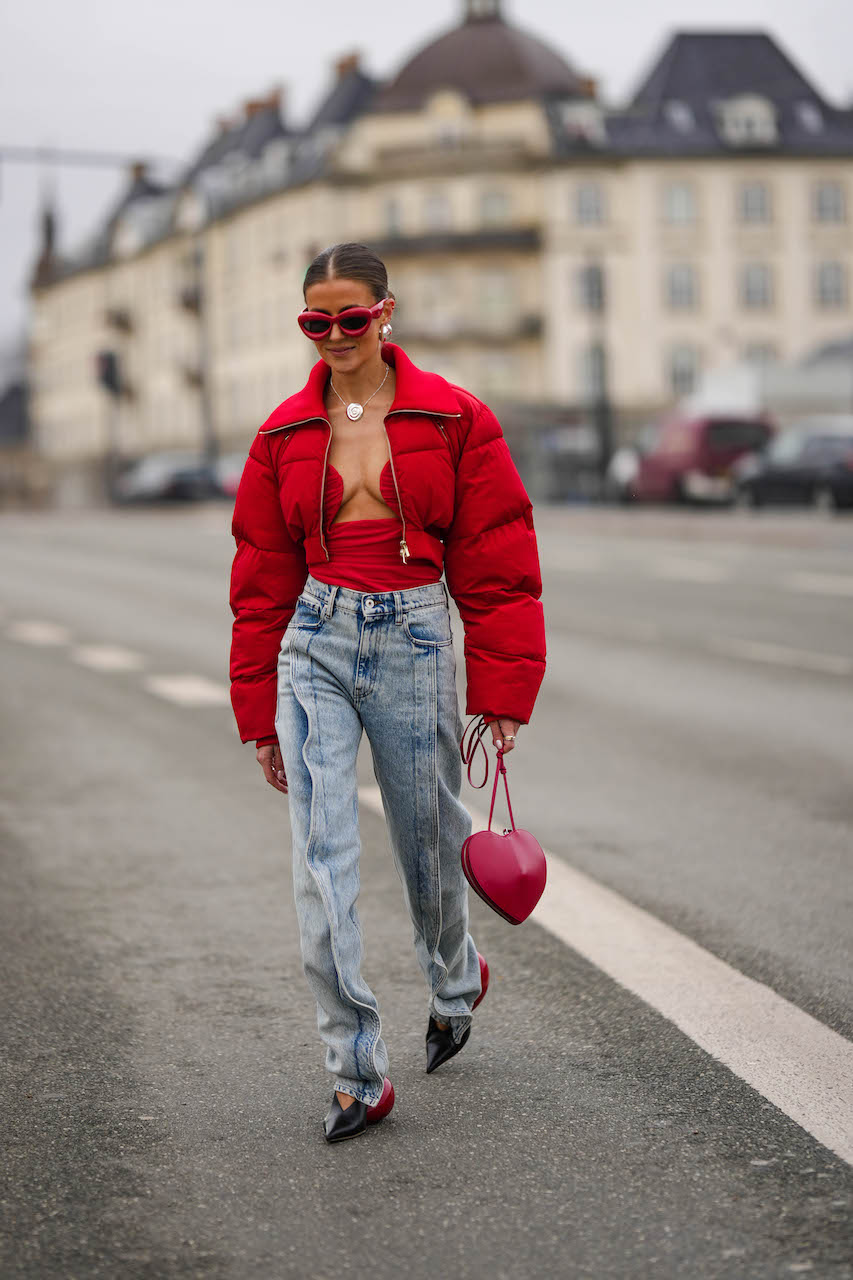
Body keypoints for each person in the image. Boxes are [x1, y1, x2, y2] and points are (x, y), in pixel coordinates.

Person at [228, 242, 546, 1143]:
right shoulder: (284, 433)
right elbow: (260, 582)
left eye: (349, 318)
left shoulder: (453, 416)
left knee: (428, 842)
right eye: (314, 321)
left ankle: (454, 976)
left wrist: (503, 693)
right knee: (319, 863)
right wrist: (259, 715)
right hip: (313, 643)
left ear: (384, 312)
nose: (333, 335)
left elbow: (496, 556)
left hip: (413, 634)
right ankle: (356, 1070)